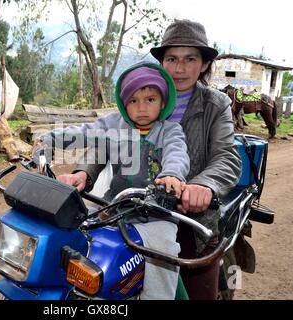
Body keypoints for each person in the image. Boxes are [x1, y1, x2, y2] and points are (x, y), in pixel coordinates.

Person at [58, 19, 242, 300]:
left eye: (190, 59)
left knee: (196, 293)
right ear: (162, 62)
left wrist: (202, 187)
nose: (179, 68)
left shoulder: (216, 105)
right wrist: (83, 172)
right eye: (172, 59)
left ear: (204, 64)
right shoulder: (141, 94)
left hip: (191, 218)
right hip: (127, 208)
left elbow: (226, 158)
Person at [33, 62, 190, 299]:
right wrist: (49, 139)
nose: (142, 108)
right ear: (124, 103)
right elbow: (82, 132)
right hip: (113, 207)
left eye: (150, 99)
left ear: (163, 101)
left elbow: (177, 153)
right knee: (76, 234)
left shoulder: (170, 131)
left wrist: (172, 175)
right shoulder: (113, 124)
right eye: (134, 100)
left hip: (156, 214)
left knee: (164, 254)